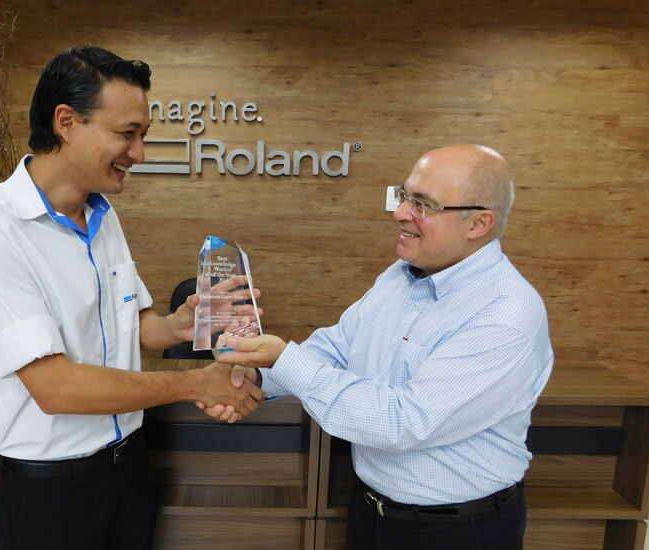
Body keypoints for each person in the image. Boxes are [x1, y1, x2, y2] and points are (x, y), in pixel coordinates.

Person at [0, 46, 263, 550]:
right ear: (67, 122)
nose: (138, 153)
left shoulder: (101, 215)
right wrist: (198, 383)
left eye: (143, 137)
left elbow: (130, 325)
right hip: (51, 490)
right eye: (126, 134)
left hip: (129, 466)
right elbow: (58, 389)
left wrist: (179, 325)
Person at [209, 144, 553, 550]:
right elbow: (339, 347)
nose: (400, 214)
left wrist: (284, 357)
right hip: (372, 513)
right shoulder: (401, 275)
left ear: (478, 223)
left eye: (422, 204)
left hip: (456, 531)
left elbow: (401, 421)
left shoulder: (506, 313)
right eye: (404, 195)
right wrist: (256, 374)